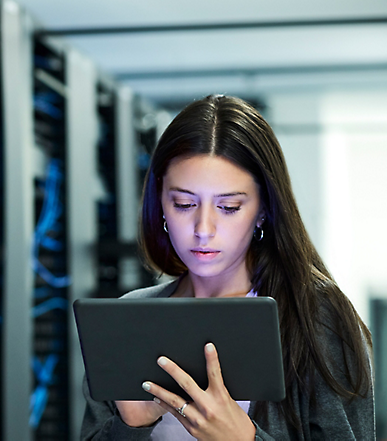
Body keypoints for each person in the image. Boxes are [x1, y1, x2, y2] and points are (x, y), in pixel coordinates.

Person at [80, 95, 375, 440]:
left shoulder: (316, 317)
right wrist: (131, 427)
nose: (203, 228)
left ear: (264, 208)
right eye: (184, 203)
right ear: (160, 202)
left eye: (229, 207)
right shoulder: (128, 319)